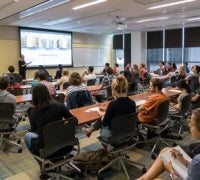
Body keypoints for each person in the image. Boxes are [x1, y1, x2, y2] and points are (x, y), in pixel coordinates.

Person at [136, 108, 200, 180]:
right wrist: (184, 161)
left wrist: (171, 171)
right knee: (166, 151)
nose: (189, 125)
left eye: (192, 123)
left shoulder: (197, 161)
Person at [24, 84, 77, 156]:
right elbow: (74, 121)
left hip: (47, 150)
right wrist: (65, 125)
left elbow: (35, 131)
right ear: (47, 93)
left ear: (34, 97)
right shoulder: (59, 106)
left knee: (27, 136)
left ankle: (42, 165)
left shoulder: (33, 113)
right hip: (67, 145)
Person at [82, 75, 136, 139]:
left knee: (102, 120)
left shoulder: (113, 104)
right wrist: (107, 110)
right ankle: (89, 130)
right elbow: (121, 110)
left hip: (113, 134)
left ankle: (90, 131)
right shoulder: (132, 103)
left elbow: (105, 123)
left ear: (114, 89)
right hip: (128, 131)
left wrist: (103, 116)